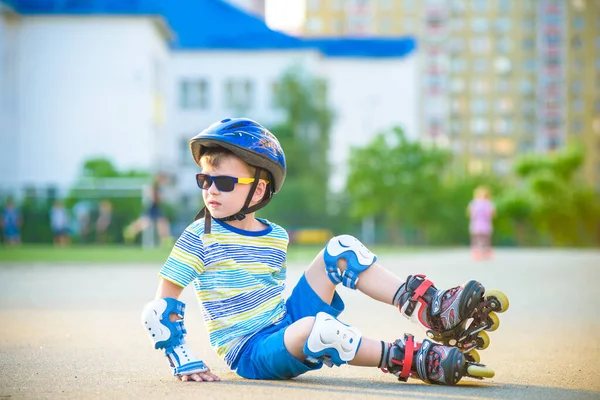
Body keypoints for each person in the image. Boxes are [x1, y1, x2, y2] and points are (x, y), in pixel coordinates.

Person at [141, 118, 509, 386]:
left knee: (342, 248)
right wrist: (181, 357)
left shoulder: (275, 236)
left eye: (223, 181)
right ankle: (406, 358)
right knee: (321, 329)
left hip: (283, 322)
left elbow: (274, 300)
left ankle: (431, 309)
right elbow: (161, 306)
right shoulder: (199, 236)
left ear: (257, 191)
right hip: (251, 351)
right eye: (204, 180)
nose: (211, 190)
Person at [123, 174, 172, 246]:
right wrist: (159, 198)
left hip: (155, 208)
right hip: (151, 207)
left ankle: (165, 239)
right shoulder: (154, 187)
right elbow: (154, 198)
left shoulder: (158, 187)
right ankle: (131, 231)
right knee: (146, 223)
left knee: (162, 222)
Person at [467, 186, 496, 261]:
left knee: (485, 239)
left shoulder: (488, 203)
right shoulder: (474, 203)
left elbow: (493, 213)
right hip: (477, 224)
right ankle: (477, 252)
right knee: (477, 239)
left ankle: (485, 252)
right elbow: (470, 212)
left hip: (485, 224)